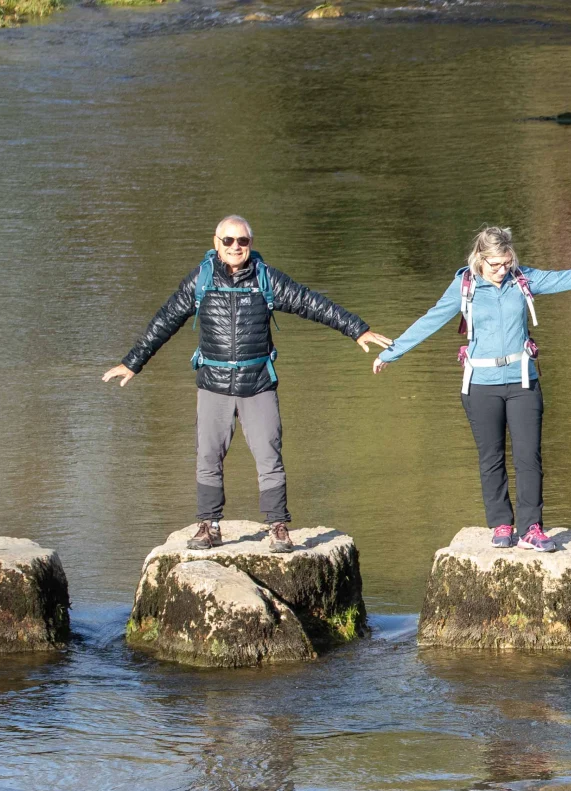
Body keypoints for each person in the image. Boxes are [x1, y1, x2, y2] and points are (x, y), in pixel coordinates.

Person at [103, 215, 392, 553]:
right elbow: (166, 319)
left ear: (250, 244)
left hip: (258, 382)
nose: (236, 247)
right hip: (214, 383)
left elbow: (310, 302)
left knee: (270, 455)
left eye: (242, 241)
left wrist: (356, 328)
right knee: (208, 456)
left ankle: (278, 527)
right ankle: (208, 526)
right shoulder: (201, 280)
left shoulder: (266, 279)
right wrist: (132, 362)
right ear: (216, 243)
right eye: (229, 241)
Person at [373, 226, 571, 552]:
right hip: (480, 385)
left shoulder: (523, 279)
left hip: (523, 381)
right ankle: (502, 524)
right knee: (491, 458)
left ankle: (532, 529)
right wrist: (392, 352)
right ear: (479, 259)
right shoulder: (464, 286)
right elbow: (431, 319)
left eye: (506, 263)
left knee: (529, 457)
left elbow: (570, 277)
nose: (501, 271)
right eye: (495, 265)